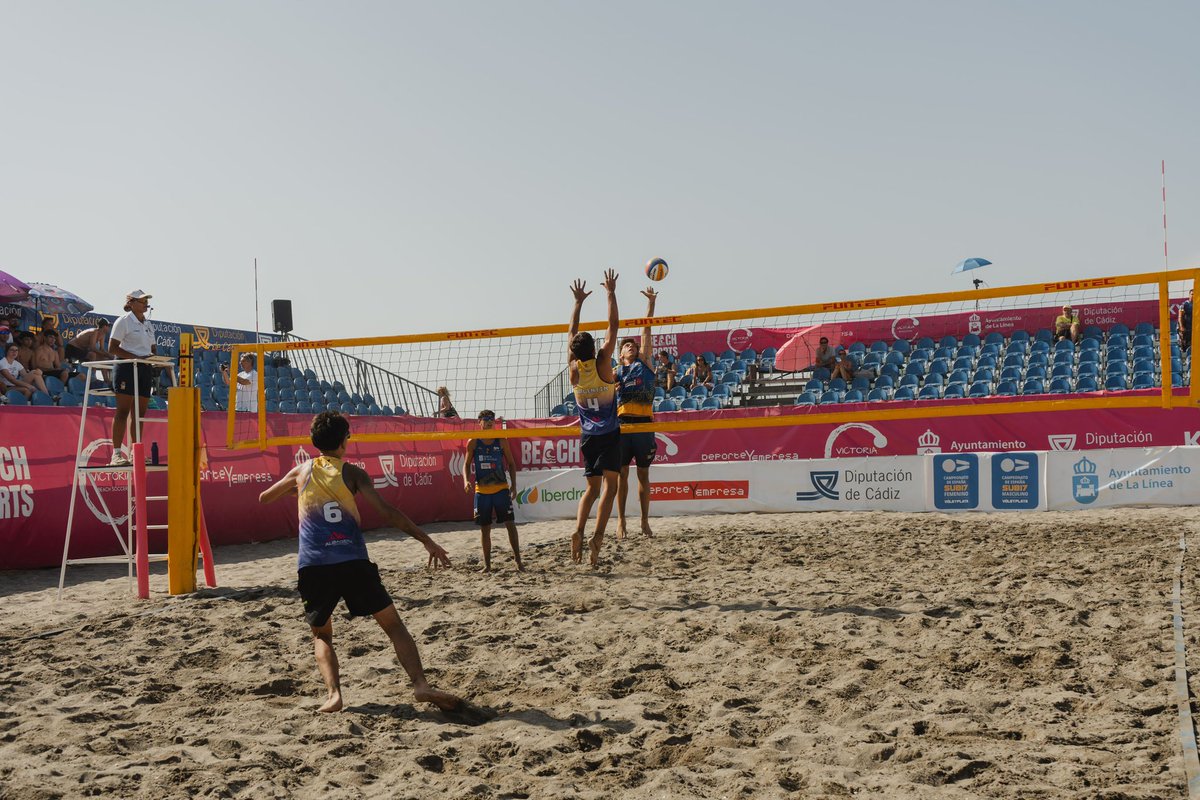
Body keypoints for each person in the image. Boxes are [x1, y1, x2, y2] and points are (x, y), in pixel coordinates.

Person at [258, 411, 467, 715]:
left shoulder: (301, 471)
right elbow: (387, 512)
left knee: (323, 635)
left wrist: (298, 488)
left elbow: (265, 497)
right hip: (353, 561)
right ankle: (420, 684)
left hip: (314, 565)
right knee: (394, 625)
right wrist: (426, 541)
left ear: (314, 442)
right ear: (344, 442)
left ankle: (333, 695)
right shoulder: (354, 473)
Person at [567, 269, 620, 566]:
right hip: (609, 433)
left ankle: (577, 529)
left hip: (587, 436)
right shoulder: (603, 363)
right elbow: (613, 325)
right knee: (610, 488)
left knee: (591, 488)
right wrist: (610, 292)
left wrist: (578, 302)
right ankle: (597, 537)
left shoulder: (573, 369)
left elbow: (570, 335)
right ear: (594, 348)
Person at [614, 287, 659, 540]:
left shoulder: (646, 364)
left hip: (643, 425)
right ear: (621, 355)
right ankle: (621, 521)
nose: (631, 346)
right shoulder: (615, 373)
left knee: (643, 473)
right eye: (626, 346)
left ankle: (644, 521)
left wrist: (650, 305)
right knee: (622, 476)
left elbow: (646, 330)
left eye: (633, 345)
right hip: (622, 426)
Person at [461, 409, 523, 572]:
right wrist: (466, 480)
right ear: (479, 422)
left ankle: (518, 561)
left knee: (510, 525)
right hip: (482, 491)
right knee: (485, 529)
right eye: (486, 419)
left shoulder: (501, 440)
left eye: (492, 419)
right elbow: (466, 464)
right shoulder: (473, 441)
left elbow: (511, 463)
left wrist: (514, 486)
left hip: (501, 489)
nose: (489, 422)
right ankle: (487, 565)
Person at [108, 290, 157, 466]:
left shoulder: (148, 324)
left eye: (146, 300)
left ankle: (136, 453)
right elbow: (112, 348)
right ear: (132, 302)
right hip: (126, 367)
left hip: (144, 368)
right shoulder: (123, 321)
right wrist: (135, 358)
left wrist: (154, 358)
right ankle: (116, 454)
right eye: (142, 300)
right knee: (122, 411)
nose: (145, 303)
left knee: (140, 413)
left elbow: (152, 348)